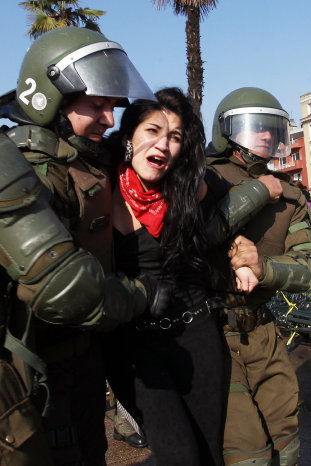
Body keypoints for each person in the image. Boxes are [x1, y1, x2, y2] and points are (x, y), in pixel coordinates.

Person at [0, 26, 161, 466]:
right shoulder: (33, 171)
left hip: (83, 357)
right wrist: (144, 294)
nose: (109, 120)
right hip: (39, 371)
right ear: (52, 99)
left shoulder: (83, 162)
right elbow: (65, 295)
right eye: (96, 106)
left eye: (112, 106)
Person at [104, 87, 285, 466]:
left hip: (196, 335)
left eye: (174, 137)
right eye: (153, 131)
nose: (164, 144)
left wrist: (238, 246)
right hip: (133, 348)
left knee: (208, 454)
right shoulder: (97, 185)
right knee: (180, 455)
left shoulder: (193, 185)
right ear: (128, 137)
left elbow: (226, 213)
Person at [206, 87, 311, 466]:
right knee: (245, 450)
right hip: (211, 331)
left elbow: (307, 268)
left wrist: (264, 268)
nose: (266, 135)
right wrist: (257, 190)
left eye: (273, 127)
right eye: (256, 127)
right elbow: (196, 236)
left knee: (287, 439)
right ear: (226, 130)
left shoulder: (292, 196)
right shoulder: (203, 180)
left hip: (265, 333)